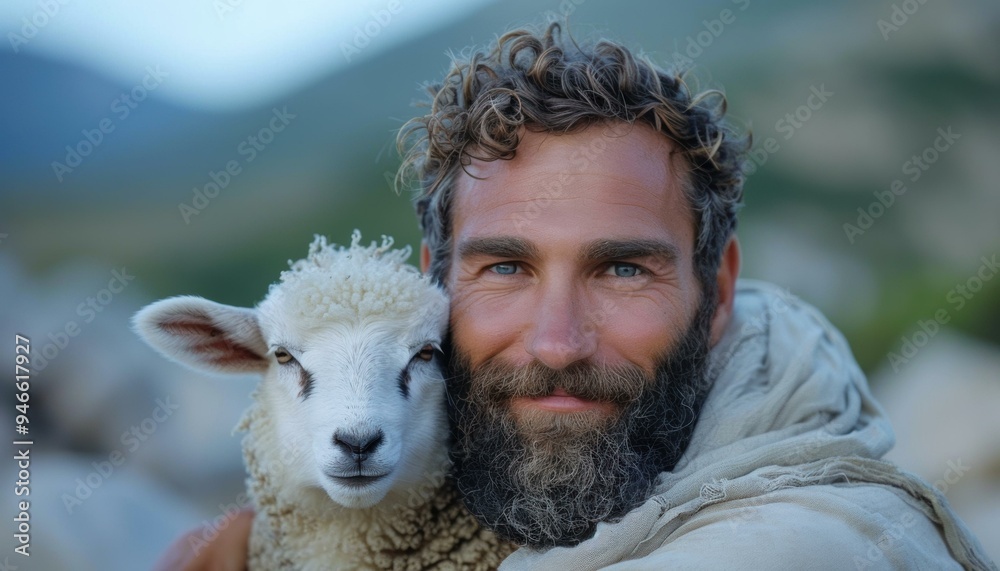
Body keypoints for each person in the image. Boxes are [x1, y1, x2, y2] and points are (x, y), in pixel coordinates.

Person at [156, 23, 995, 570]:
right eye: (505, 269)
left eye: (623, 269)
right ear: (433, 285)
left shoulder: (816, 543)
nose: (557, 343)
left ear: (720, 288)